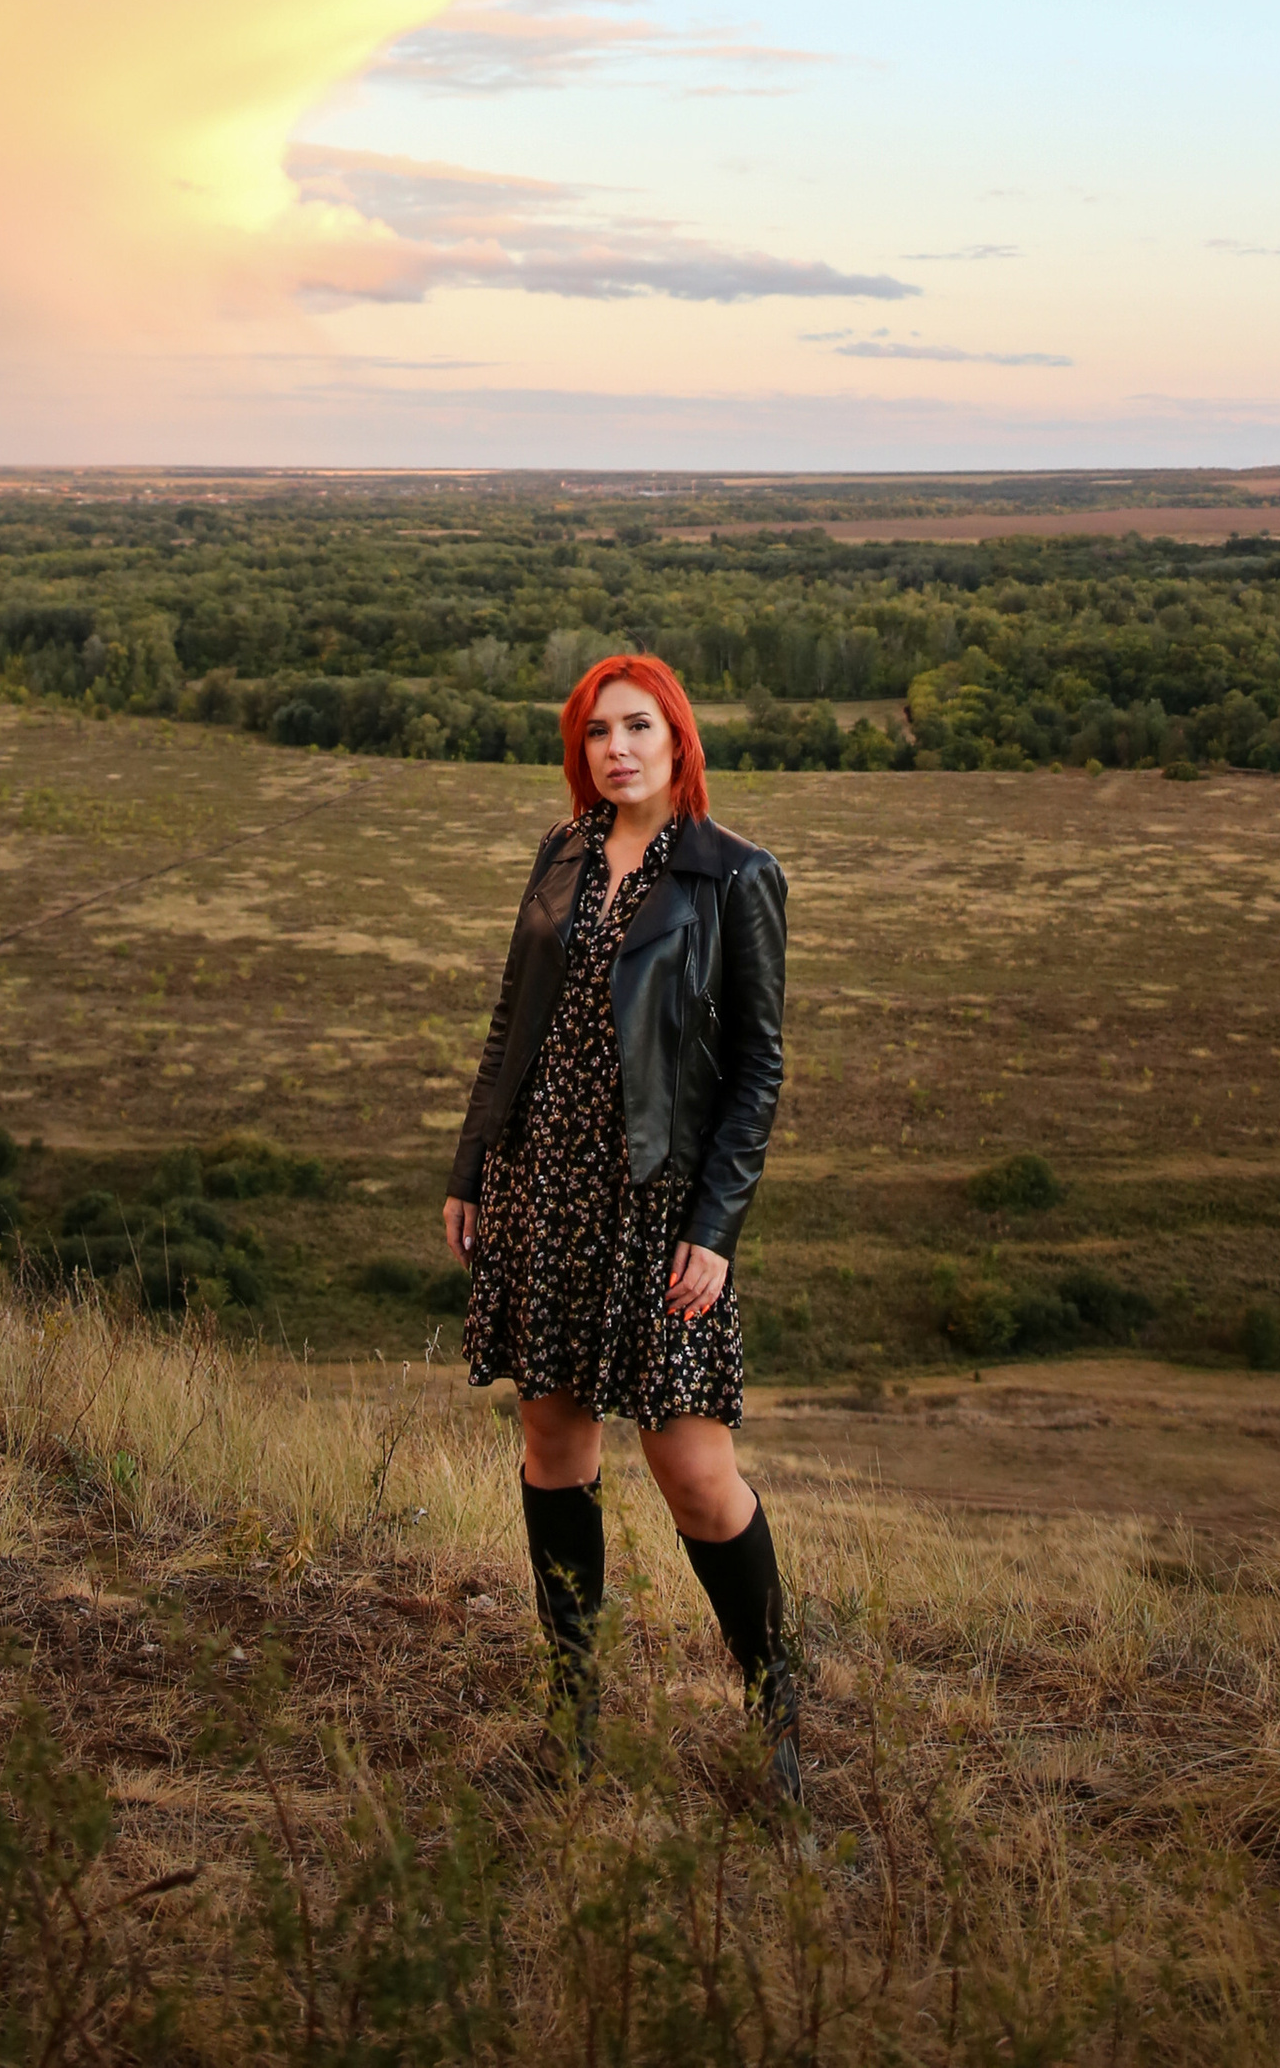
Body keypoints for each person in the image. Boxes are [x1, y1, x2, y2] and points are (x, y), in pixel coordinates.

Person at [444, 652, 797, 1792]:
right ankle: (575, 1716)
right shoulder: (560, 857)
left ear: (678, 738)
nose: (618, 750)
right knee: (554, 1446)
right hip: (543, 1185)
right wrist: (471, 1169)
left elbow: (756, 1070)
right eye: (598, 732)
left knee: (691, 1465)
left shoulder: (734, 877)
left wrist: (716, 1226)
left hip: (659, 1209)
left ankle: (776, 1705)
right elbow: (511, 1019)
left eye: (638, 727)